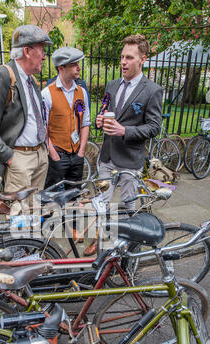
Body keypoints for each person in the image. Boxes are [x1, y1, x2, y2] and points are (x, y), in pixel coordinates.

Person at [84, 34, 163, 255]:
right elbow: (106, 111)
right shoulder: (112, 84)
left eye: (129, 57)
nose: (123, 62)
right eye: (122, 57)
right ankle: (99, 241)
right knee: (101, 205)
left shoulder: (152, 90)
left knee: (129, 207)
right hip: (107, 158)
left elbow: (154, 127)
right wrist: (100, 120)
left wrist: (125, 130)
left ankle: (126, 248)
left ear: (142, 59)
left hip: (130, 160)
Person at [0, 24, 52, 216]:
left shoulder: (30, 80)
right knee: (19, 220)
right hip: (19, 159)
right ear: (27, 51)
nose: (44, 56)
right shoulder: (3, 75)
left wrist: (43, 151)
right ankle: (19, 247)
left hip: (39, 156)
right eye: (42, 50)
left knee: (34, 214)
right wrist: (10, 158)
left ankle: (32, 246)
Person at [41, 46, 91, 191]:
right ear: (61, 67)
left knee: (74, 197)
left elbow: (85, 123)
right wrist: (54, 155)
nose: (79, 68)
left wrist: (81, 151)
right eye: (74, 64)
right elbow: (43, 129)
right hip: (57, 155)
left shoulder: (81, 91)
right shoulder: (47, 94)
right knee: (52, 200)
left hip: (77, 155)